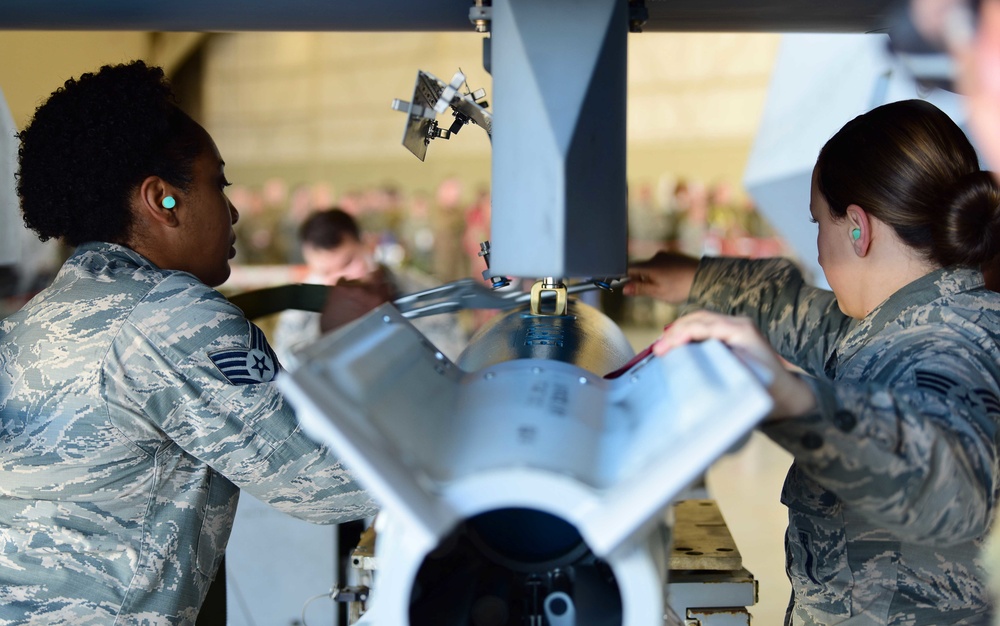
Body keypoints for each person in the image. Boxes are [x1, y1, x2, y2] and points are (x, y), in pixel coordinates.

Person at [0, 61, 376, 625]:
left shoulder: (33, 321)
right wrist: (358, 346)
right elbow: (335, 483)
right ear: (162, 200)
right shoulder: (173, 318)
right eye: (217, 183)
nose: (232, 211)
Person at [626, 99, 1000, 625]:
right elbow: (804, 316)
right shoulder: (926, 319)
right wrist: (693, 279)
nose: (819, 249)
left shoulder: (943, 350)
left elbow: (946, 482)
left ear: (857, 229)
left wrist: (793, 400)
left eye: (817, 223)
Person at [273, 207, 468, 366]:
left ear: (367, 244)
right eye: (326, 273)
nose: (339, 280)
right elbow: (285, 372)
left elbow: (453, 359)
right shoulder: (300, 310)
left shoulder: (422, 292)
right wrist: (327, 337)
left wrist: (393, 329)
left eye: (348, 263)